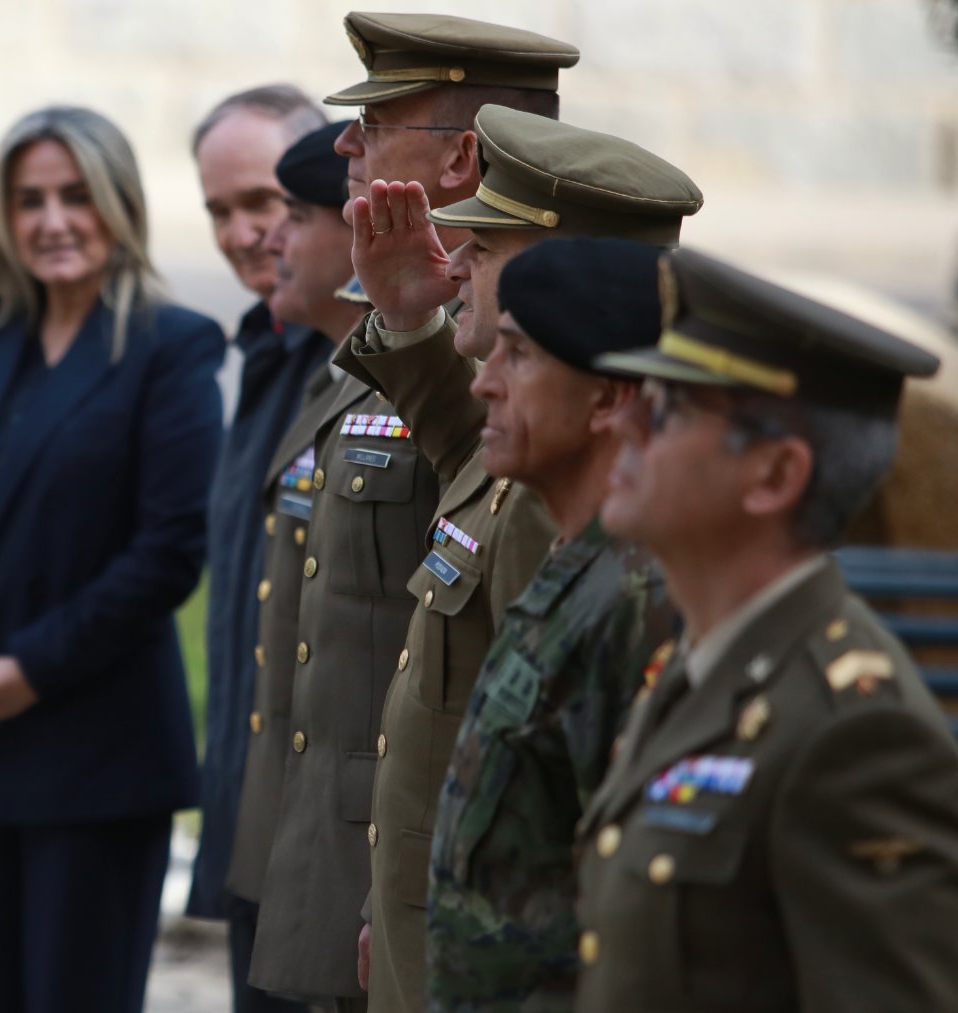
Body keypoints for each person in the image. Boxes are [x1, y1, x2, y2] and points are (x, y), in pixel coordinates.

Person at [336, 100, 703, 1012]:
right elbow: (481, 454)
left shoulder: (606, 539)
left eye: (487, 251)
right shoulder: (539, 461)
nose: (455, 264)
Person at [0, 105, 224, 1013]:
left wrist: (27, 672)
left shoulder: (172, 348)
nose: (52, 219)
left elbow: (169, 551)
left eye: (76, 195)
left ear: (119, 204)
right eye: (29, 199)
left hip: (93, 759)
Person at [576, 246, 958, 1011]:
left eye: (668, 407)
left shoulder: (852, 733)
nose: (622, 422)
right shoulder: (705, 664)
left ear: (775, 475)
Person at [301, 13, 578, 1010]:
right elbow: (482, 472)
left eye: (376, 119)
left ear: (462, 153)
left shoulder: (574, 398)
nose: (345, 141)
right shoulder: (451, 322)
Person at [423, 238, 679, 1009]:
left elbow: (641, 897)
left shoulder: (642, 597)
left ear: (609, 400)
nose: (484, 385)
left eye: (520, 356)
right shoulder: (576, 564)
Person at [218, 120, 438, 1013]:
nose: (271, 237)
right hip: (300, 819)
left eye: (298, 214)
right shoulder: (329, 380)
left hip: (368, 830)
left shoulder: (420, 386)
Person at [187, 83, 334, 1013]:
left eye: (266, 205)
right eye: (220, 211)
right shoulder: (267, 347)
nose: (245, 233)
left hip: (319, 839)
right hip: (253, 820)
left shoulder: (362, 360)